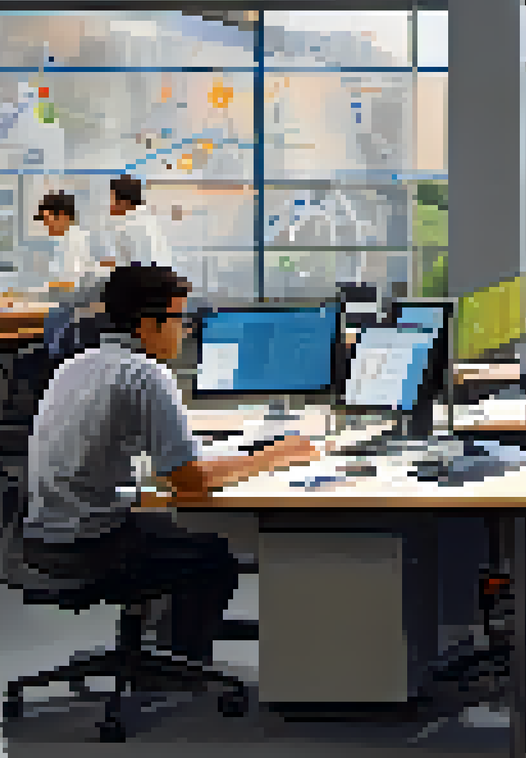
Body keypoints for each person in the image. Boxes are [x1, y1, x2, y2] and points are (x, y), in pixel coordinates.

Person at [20, 265, 321, 664]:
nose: (188, 330)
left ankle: (161, 651)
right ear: (148, 324)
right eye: (181, 319)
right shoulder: (144, 374)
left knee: (176, 529)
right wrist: (276, 455)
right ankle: (182, 663)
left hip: (44, 534)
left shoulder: (77, 365)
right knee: (214, 556)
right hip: (93, 542)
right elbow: (190, 483)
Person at [104, 174, 174, 270]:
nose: (108, 205)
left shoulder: (128, 225)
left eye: (111, 199)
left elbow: (127, 266)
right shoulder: (149, 219)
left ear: (123, 202)